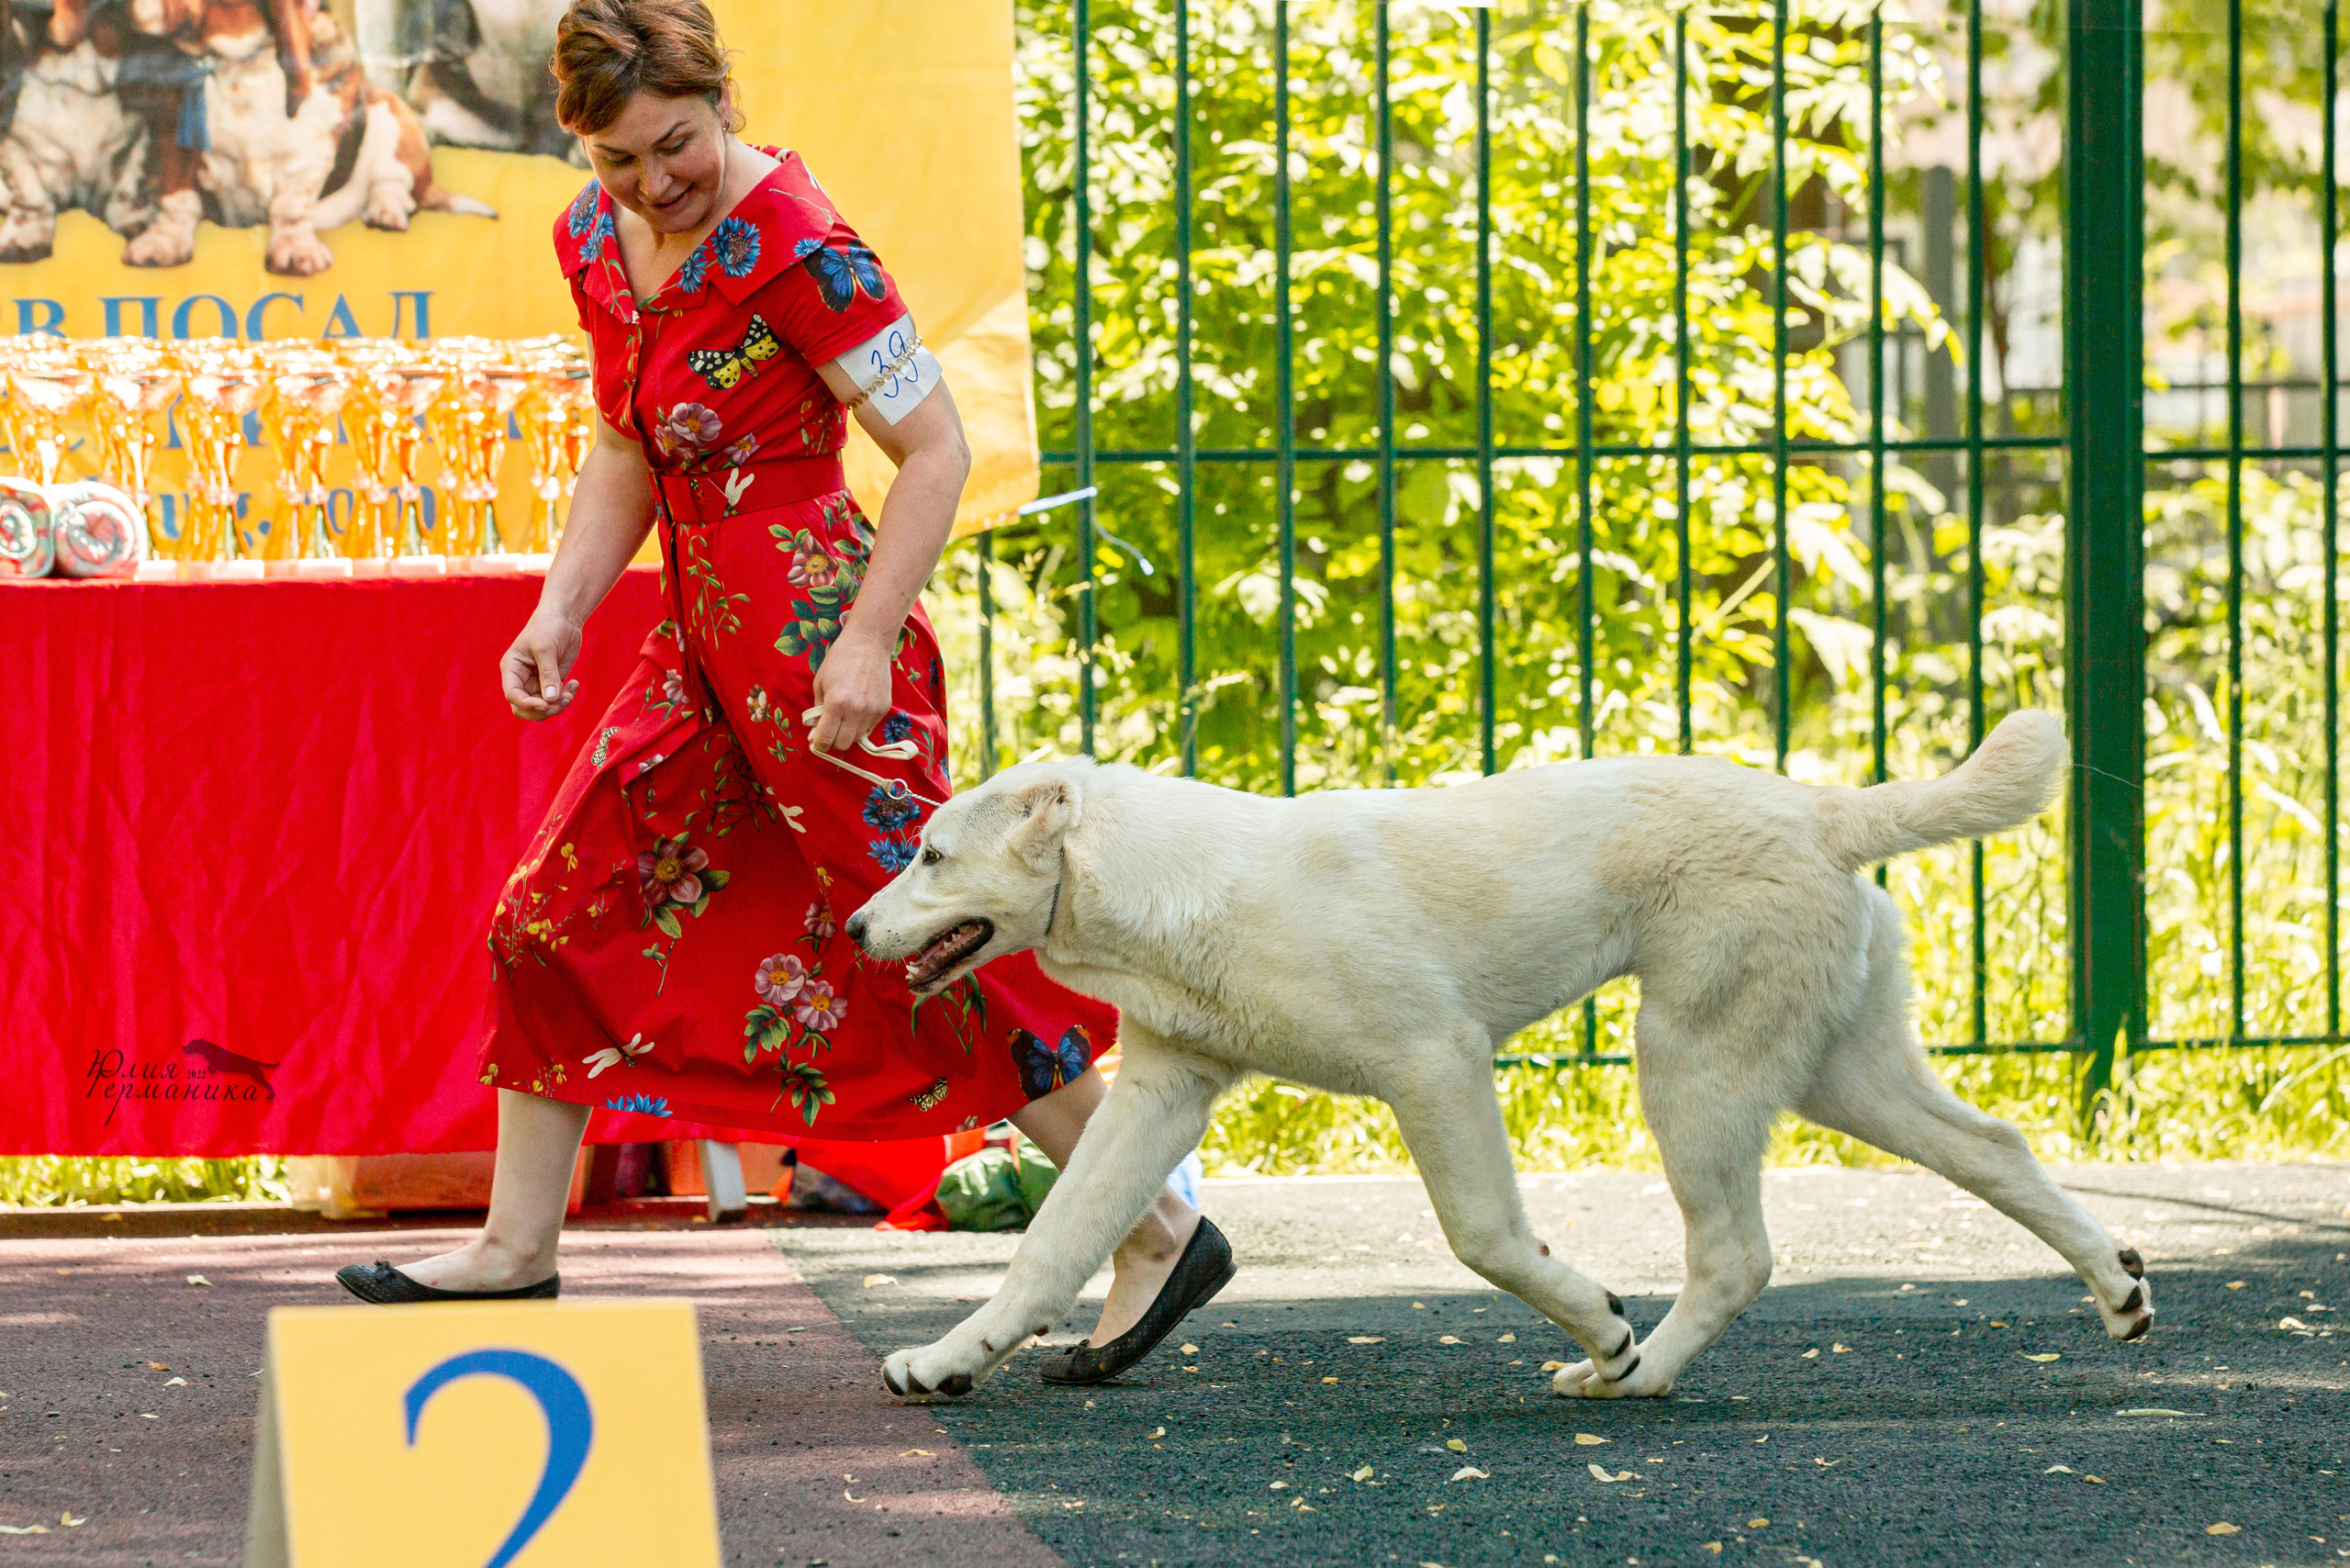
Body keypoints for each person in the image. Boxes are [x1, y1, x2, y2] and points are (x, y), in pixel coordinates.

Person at [336, 0, 1232, 1383]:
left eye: (674, 146)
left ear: (722, 104)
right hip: (696, 641)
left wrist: (868, 642)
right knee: (549, 913)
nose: (650, 183)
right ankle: (517, 1249)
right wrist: (560, 610)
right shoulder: (592, 240)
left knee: (940, 935)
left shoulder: (805, 245)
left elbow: (933, 448)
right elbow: (628, 447)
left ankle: (1159, 1227)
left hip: (822, 635)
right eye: (615, 158)